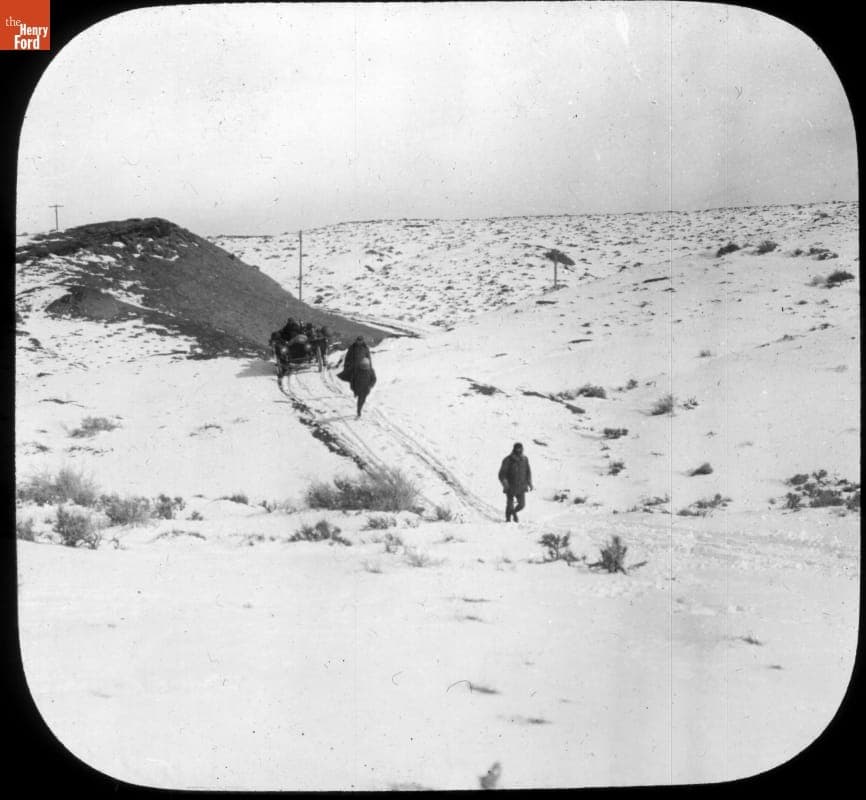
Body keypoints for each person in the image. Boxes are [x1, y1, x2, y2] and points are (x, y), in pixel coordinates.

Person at [498, 442, 533, 522]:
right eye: (517, 448)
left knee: (522, 505)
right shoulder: (508, 460)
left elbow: (528, 472)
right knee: (510, 505)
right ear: (514, 449)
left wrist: (529, 483)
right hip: (510, 486)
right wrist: (505, 484)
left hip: (521, 486)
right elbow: (501, 474)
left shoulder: (525, 459)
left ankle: (513, 513)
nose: (519, 450)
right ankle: (508, 520)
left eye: (520, 449)